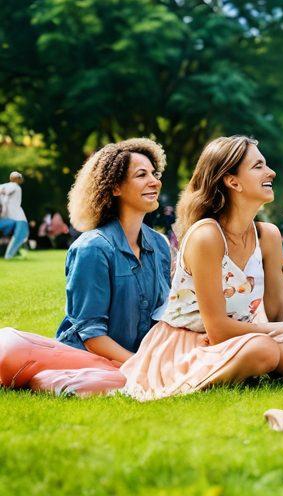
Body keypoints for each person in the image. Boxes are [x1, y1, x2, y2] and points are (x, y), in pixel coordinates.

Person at [121, 136, 283, 400]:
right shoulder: (207, 236)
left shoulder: (267, 235)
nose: (271, 172)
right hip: (190, 347)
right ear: (233, 181)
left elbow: (280, 310)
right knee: (262, 349)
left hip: (241, 341)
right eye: (258, 166)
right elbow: (217, 329)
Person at [0, 141, 173, 394]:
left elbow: (163, 315)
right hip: (87, 355)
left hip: (132, 358)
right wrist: (140, 364)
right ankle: (63, 379)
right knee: (131, 380)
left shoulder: (159, 245)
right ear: (114, 187)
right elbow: (91, 336)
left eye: (154, 174)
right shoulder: (93, 248)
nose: (155, 182)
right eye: (141, 175)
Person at [0, 171, 29, 259]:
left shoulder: (3, 186)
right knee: (22, 234)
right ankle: (9, 255)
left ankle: (13, 253)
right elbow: (8, 193)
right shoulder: (16, 187)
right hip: (16, 217)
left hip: (6, 218)